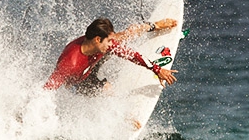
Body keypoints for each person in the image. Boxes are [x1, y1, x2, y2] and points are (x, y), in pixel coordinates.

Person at [43, 17, 178, 92]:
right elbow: (46, 91)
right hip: (82, 80)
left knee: (126, 35)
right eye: (107, 40)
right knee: (108, 90)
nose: (111, 44)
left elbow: (131, 54)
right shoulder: (69, 64)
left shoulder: (102, 45)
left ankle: (152, 25)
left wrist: (157, 69)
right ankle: (125, 119)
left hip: (94, 58)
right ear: (97, 39)